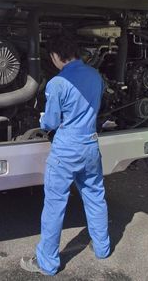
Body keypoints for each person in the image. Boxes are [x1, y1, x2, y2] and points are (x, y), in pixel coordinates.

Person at [21, 34, 110, 276]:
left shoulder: (57, 83)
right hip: (91, 144)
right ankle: (102, 248)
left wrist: (42, 118)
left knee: (54, 205)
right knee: (95, 195)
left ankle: (47, 264)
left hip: (66, 150)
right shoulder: (94, 75)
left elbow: (50, 122)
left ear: (55, 57)